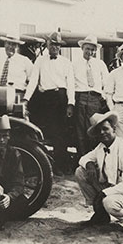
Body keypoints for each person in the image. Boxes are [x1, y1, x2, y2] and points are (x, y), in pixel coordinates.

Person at [74, 110, 123, 235]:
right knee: (80, 172)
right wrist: (89, 164)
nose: (102, 133)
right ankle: (101, 215)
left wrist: (104, 193)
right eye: (98, 131)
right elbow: (83, 159)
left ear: (113, 129)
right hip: (114, 188)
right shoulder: (100, 147)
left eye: (105, 129)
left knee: (109, 203)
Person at [25, 32, 75, 174]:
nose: (55, 47)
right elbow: (34, 80)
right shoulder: (40, 60)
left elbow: (70, 84)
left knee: (61, 133)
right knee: (47, 132)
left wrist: (70, 103)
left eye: (57, 45)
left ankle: (60, 166)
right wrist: (26, 99)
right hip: (46, 99)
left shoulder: (66, 62)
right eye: (52, 44)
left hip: (61, 98)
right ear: (47, 45)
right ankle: (43, 165)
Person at [72, 35, 109, 155]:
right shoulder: (74, 64)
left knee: (94, 129)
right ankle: (83, 159)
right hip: (80, 97)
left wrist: (103, 96)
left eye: (93, 50)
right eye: (87, 49)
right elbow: (71, 84)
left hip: (95, 99)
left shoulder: (100, 64)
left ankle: (94, 158)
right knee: (80, 132)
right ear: (82, 48)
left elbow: (106, 83)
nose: (90, 52)